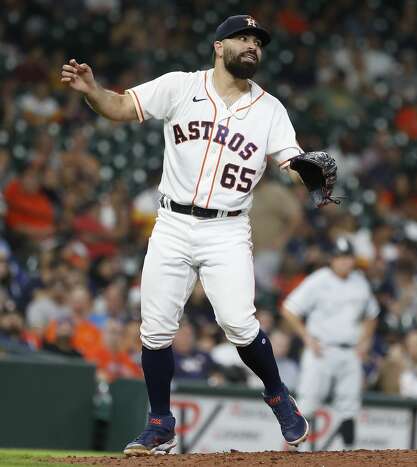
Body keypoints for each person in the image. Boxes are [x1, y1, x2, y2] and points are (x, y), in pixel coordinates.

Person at [61, 14, 324, 455]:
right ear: (218, 47)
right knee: (156, 329)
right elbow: (122, 107)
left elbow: (290, 163)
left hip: (227, 228)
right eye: (242, 38)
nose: (252, 46)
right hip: (173, 223)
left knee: (239, 323)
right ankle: (160, 423)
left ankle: (277, 394)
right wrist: (92, 93)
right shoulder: (181, 86)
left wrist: (310, 173)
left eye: (257, 41)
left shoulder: (270, 109)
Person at [281, 237, 379, 450]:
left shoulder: (360, 282)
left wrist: (365, 341)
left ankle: (349, 455)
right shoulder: (319, 280)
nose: (345, 262)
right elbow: (289, 309)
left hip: (350, 352)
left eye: (348, 257)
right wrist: (306, 336)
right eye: (340, 257)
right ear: (332, 259)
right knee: (307, 404)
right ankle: (297, 456)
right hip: (321, 350)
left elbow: (373, 314)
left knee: (350, 407)